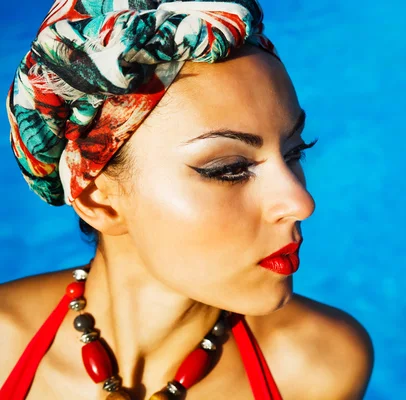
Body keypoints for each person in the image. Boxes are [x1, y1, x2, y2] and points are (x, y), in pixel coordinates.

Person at [0, 0, 374, 399]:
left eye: (294, 152)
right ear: (97, 199)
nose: (300, 202)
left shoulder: (319, 366)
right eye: (229, 169)